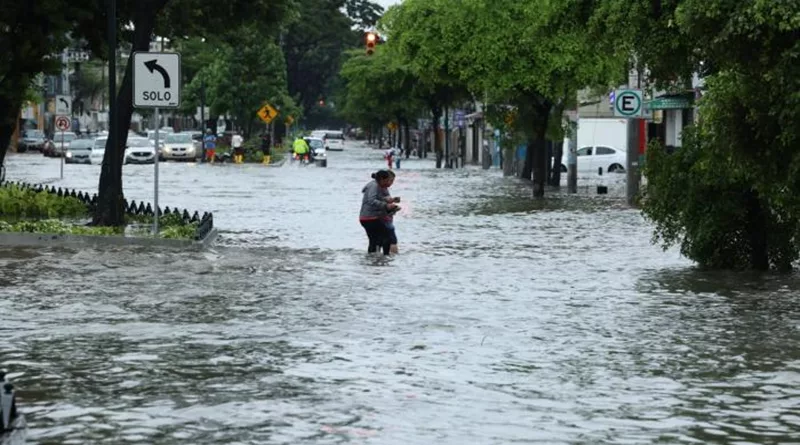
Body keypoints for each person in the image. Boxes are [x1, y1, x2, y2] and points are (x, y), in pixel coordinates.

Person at [359, 170, 398, 255]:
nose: (389, 183)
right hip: (370, 217)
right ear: (382, 179)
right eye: (388, 180)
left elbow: (383, 197)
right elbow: (371, 200)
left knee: (375, 240)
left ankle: (374, 260)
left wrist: (390, 202)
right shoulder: (374, 186)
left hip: (368, 217)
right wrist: (386, 205)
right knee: (386, 237)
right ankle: (385, 258)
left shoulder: (381, 186)